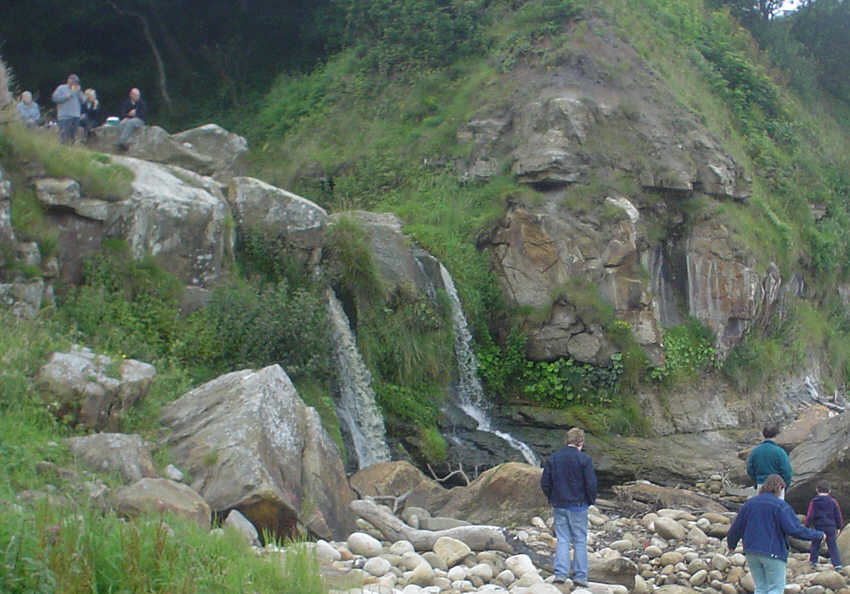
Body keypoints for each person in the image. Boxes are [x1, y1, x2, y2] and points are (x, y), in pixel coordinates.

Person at [727, 474, 824, 594]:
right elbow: (795, 530)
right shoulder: (781, 506)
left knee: (760, 588)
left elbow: (736, 527)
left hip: (751, 551)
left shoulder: (749, 504)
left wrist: (731, 544)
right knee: (776, 588)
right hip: (773, 552)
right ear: (779, 488)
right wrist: (818, 535)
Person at [540, 427, 597, 587]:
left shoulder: (553, 458)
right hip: (578, 505)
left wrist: (552, 498)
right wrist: (590, 500)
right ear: (581, 442)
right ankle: (580, 576)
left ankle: (560, 574)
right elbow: (591, 484)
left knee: (562, 539)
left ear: (566, 440)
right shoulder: (584, 459)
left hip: (559, 504)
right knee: (579, 540)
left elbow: (545, 483)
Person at [805, 480, 844, 570]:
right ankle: (837, 565)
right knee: (832, 546)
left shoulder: (814, 501)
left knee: (815, 544)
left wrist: (807, 526)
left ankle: (813, 562)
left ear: (817, 490)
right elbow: (838, 515)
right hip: (830, 527)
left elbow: (810, 515)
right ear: (829, 490)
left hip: (818, 526)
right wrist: (839, 526)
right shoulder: (833, 501)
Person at [746, 424, 792, 496]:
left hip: (761, 484)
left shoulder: (755, 451)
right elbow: (787, 472)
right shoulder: (780, 452)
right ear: (776, 435)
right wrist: (785, 485)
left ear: (763, 435)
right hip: (777, 487)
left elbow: (750, 469)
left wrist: (755, 481)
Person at [51, 73, 84, 144]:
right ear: (68, 80)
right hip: (64, 116)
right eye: (73, 81)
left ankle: (70, 148)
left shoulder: (78, 90)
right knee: (63, 135)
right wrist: (67, 96)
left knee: (72, 136)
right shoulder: (61, 88)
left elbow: (83, 101)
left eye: (76, 82)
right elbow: (55, 98)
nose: (75, 83)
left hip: (75, 116)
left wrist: (79, 92)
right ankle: (62, 148)